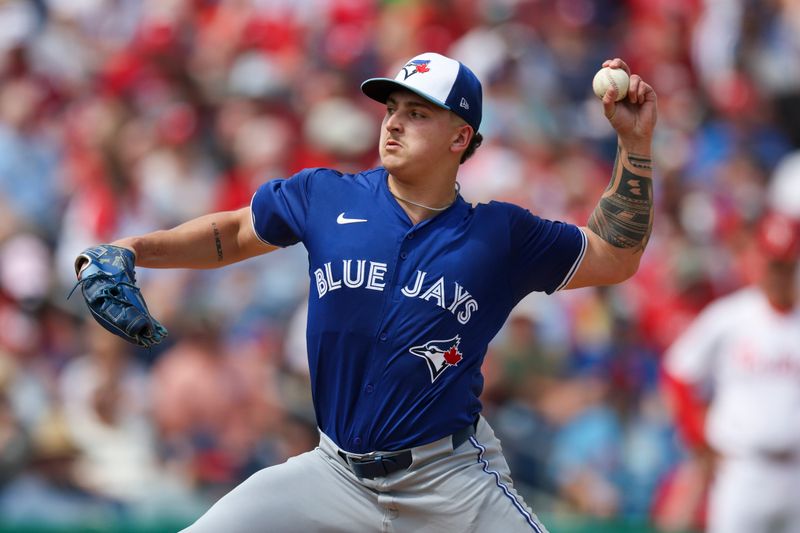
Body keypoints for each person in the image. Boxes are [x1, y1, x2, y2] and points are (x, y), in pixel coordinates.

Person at [75, 52, 657, 532]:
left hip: (448, 482)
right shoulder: (327, 197)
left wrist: (634, 146)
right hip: (333, 475)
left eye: (417, 113)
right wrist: (135, 248)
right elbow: (232, 231)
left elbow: (614, 256)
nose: (394, 122)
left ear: (461, 136)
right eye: (392, 108)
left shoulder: (499, 234)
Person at [663, 211, 800, 533]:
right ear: (759, 259)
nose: (779, 273)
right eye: (774, 263)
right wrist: (698, 441)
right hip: (742, 469)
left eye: (787, 265)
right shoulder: (732, 317)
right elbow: (677, 373)